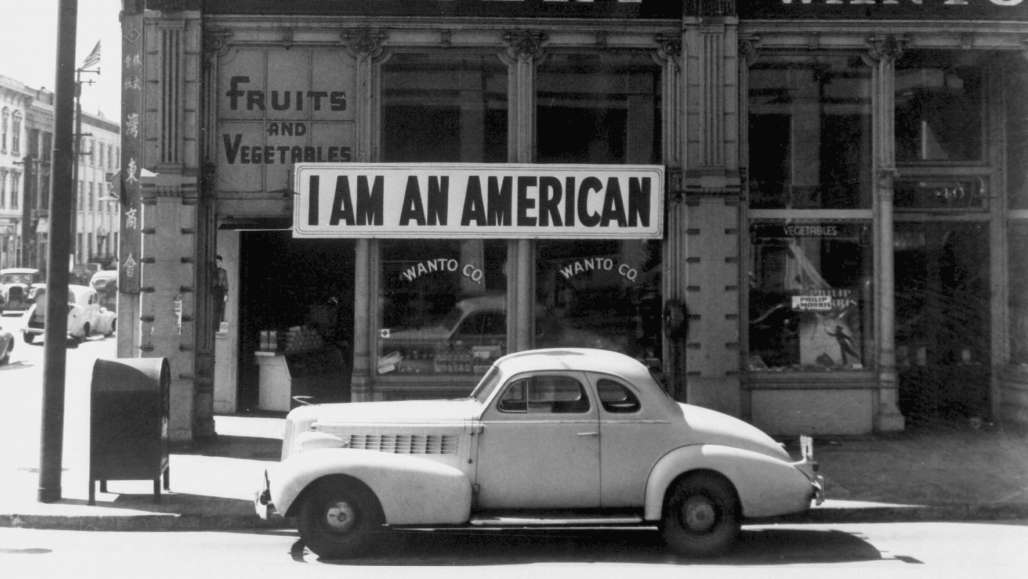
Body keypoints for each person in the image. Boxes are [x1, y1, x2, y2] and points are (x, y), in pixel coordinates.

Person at [213, 255, 228, 325]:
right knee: (215, 311)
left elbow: (226, 283)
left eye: (219, 262)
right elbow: (212, 282)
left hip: (222, 292)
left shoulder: (224, 271)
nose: (217, 263)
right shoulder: (213, 271)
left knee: (222, 310)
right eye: (216, 262)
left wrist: (226, 295)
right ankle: (216, 327)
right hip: (215, 292)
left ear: (221, 262)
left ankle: (221, 328)